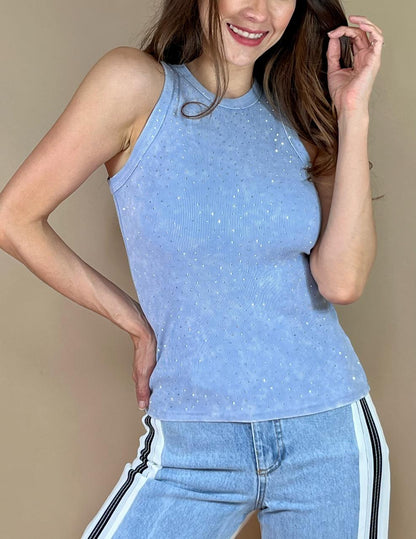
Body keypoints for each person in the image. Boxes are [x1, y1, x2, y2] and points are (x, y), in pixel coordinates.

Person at [0, 0, 391, 537]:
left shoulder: (302, 113)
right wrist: (135, 322)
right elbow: (14, 219)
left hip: (327, 435)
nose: (258, 12)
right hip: (194, 446)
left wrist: (352, 112)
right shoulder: (135, 86)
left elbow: (342, 281)